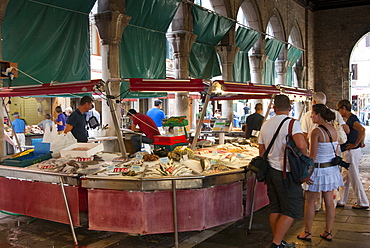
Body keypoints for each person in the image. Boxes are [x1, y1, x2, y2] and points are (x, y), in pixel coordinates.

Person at [258, 95, 307, 248]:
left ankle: (278, 242)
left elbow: (261, 151)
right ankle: (276, 243)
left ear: (274, 108)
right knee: (292, 208)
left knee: (275, 207)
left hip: (270, 172)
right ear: (290, 108)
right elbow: (301, 145)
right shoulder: (292, 123)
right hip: (286, 172)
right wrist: (305, 161)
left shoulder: (265, 124)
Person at [296, 104, 344, 242]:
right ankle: (328, 232)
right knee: (329, 201)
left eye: (312, 113)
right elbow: (335, 152)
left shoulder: (316, 132)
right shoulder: (333, 129)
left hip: (318, 169)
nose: (311, 116)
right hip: (330, 170)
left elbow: (313, 156)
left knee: (310, 200)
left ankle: (307, 232)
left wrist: (307, 173)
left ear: (319, 115)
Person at [301, 92, 349, 211]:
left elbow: (304, 136)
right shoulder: (335, 115)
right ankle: (328, 228)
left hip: (317, 161)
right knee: (329, 196)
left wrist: (306, 165)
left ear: (314, 103)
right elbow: (346, 130)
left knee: (311, 197)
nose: (312, 116)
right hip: (332, 159)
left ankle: (315, 210)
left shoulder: (311, 122)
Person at [336, 100, 369, 209]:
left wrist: (356, 144)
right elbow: (360, 131)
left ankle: (363, 202)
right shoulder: (350, 119)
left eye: (339, 109)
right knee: (345, 176)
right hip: (349, 152)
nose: (339, 112)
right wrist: (361, 142)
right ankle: (341, 200)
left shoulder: (352, 119)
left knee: (354, 177)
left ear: (344, 108)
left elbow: (362, 129)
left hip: (351, 152)